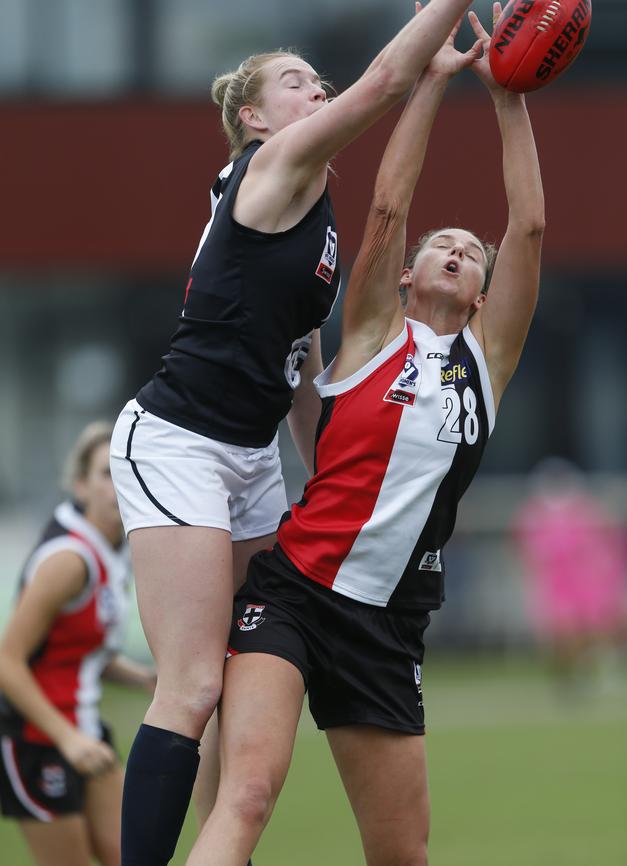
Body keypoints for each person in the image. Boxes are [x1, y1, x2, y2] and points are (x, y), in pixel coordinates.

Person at [108, 3, 475, 864]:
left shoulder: (314, 217)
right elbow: (385, 80)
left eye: (320, 79)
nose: (319, 86)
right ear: (255, 119)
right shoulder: (271, 168)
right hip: (179, 442)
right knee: (193, 684)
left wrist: (321, 477)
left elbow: (304, 372)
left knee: (236, 695)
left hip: (251, 460)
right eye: (295, 80)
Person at [187, 4, 545, 864]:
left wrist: (508, 95)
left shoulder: (484, 365)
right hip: (297, 592)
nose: (458, 249)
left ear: (485, 293)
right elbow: (388, 203)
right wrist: (428, 83)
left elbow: (527, 228)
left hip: (389, 629)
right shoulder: (374, 335)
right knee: (248, 796)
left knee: (400, 854)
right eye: (442, 244)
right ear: (408, 271)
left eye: (472, 251)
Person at [0, 423, 155, 866]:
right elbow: (8, 661)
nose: (118, 482)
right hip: (37, 739)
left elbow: (79, 651)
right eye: (105, 473)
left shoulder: (115, 549)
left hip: (84, 732)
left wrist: (143, 677)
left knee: (135, 856)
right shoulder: (70, 559)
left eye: (125, 469)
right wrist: (66, 739)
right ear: (79, 485)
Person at [513, 457, 627, 692]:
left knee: (587, 629)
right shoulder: (535, 514)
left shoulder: (583, 510)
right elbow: (532, 551)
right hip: (555, 583)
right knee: (562, 633)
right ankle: (566, 677)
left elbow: (599, 545)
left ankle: (582, 674)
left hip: (580, 582)